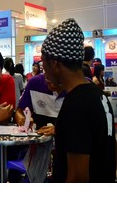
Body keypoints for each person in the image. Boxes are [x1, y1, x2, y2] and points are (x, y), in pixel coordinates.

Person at [41, 18, 116, 182]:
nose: (42, 70)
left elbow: (78, 178)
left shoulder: (76, 105)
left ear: (54, 63)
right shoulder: (98, 95)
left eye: (43, 62)